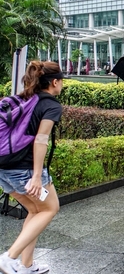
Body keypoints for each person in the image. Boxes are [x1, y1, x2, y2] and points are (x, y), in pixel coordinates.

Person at [0, 62, 63, 274]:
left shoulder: (24, 99)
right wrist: (37, 176)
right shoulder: (50, 105)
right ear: (54, 82)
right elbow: (41, 139)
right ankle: (9, 257)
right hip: (24, 169)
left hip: (3, 168)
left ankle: (26, 265)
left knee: (35, 210)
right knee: (50, 208)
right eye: (61, 82)